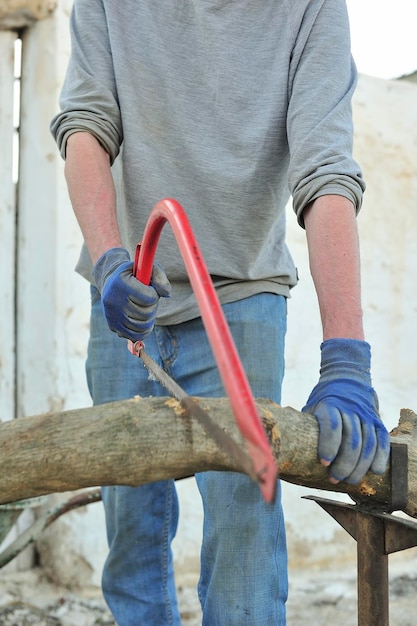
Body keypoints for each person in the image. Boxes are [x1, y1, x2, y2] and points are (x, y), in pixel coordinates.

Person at [51, 1, 390, 624]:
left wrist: (346, 356)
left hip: (241, 297)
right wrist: (108, 263)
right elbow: (85, 125)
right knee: (131, 530)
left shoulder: (311, 9)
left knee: (244, 537)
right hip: (129, 295)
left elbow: (327, 174)